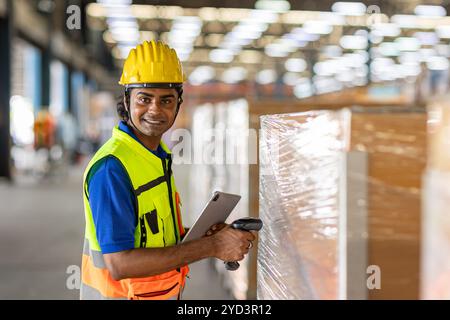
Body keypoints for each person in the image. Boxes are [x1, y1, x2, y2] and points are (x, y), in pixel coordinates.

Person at [80, 40, 255, 300]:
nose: (155, 109)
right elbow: (120, 264)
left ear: (178, 104)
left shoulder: (155, 156)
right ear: (127, 100)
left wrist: (206, 236)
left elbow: (152, 235)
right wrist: (212, 246)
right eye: (144, 98)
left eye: (166, 100)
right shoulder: (112, 168)